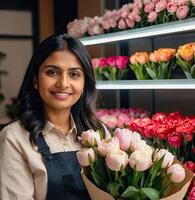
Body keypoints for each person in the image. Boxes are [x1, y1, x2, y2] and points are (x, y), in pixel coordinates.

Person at [0, 33, 108, 200]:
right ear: (36, 79)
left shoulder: (99, 133)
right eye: (52, 72)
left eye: (74, 74)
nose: (63, 83)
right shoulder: (14, 139)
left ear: (85, 83)